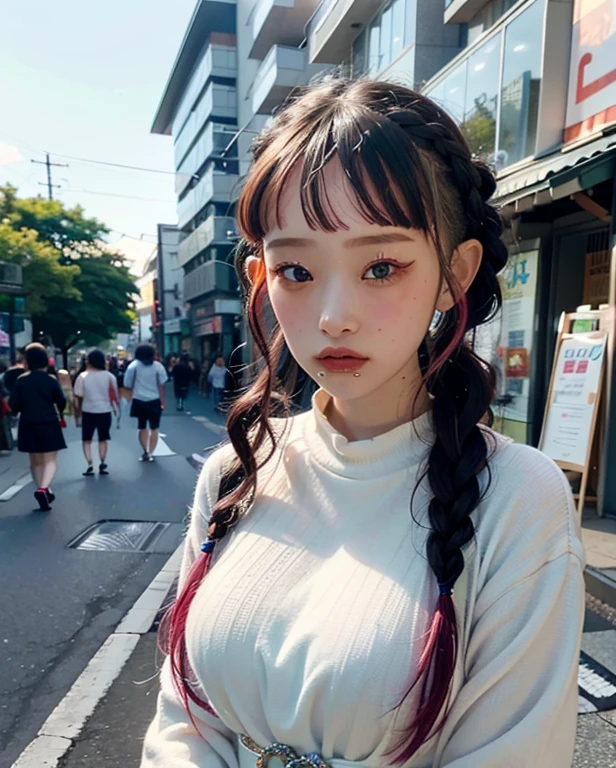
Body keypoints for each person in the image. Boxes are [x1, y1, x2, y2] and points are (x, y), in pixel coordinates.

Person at [142, 79, 585, 768]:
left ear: (453, 273)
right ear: (262, 278)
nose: (333, 316)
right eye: (295, 269)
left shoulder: (519, 498)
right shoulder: (235, 472)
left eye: (380, 266)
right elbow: (182, 720)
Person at [9, 342, 66, 511]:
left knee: (35, 461)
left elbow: (14, 404)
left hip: (28, 423)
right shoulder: (51, 380)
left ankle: (41, 489)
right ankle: (44, 488)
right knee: (50, 460)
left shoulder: (21, 380)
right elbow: (61, 401)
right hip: (48, 422)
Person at [73, 348, 119, 476]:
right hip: (105, 410)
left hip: (88, 411)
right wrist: (116, 410)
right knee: (103, 438)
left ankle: (90, 464)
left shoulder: (83, 376)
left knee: (87, 439)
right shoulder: (109, 376)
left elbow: (78, 396)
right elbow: (114, 395)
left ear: (89, 361)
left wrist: (77, 415)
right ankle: (102, 462)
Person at [123, 344, 167, 462]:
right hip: (155, 400)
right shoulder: (158, 366)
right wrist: (163, 400)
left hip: (139, 400)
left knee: (142, 427)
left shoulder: (133, 366)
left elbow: (127, 383)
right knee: (154, 428)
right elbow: (162, 382)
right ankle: (151, 452)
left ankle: (145, 451)